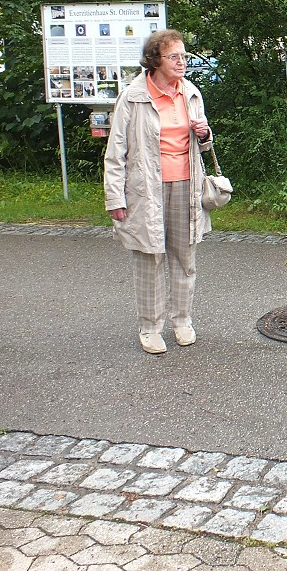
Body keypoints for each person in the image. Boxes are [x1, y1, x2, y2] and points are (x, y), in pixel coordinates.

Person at [104, 29, 214, 355]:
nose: (182, 62)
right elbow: (116, 151)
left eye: (184, 56)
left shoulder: (191, 93)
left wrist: (205, 133)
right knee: (149, 258)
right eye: (174, 57)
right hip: (145, 190)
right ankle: (150, 327)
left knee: (184, 258)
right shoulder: (133, 96)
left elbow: (204, 143)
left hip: (186, 185)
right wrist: (115, 198)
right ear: (155, 60)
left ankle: (182, 321)